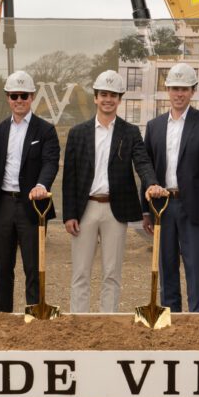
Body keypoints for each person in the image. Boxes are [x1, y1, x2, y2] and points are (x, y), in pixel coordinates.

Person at [63, 70, 166, 313]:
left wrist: (151, 183)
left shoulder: (129, 132)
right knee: (80, 272)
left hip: (115, 210)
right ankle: (79, 323)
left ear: (120, 99)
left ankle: (107, 322)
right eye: (104, 94)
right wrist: (69, 214)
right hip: (84, 208)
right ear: (96, 98)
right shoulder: (78, 133)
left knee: (112, 272)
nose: (108, 99)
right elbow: (70, 177)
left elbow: (142, 161)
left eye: (113, 95)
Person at [141, 63, 199, 313]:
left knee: (194, 266)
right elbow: (147, 168)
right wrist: (146, 209)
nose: (179, 94)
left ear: (193, 91)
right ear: (167, 89)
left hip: (193, 206)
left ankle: (197, 321)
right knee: (166, 266)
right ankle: (171, 318)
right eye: (175, 88)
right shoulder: (154, 126)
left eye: (184, 89)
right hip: (163, 206)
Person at [0, 70, 60, 312]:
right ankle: (3, 318)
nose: (19, 100)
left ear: (32, 97)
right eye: (14, 95)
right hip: (4, 205)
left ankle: (34, 318)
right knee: (3, 269)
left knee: (33, 267)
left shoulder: (45, 130)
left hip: (32, 207)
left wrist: (41, 185)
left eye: (24, 95)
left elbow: (50, 162)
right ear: (8, 97)